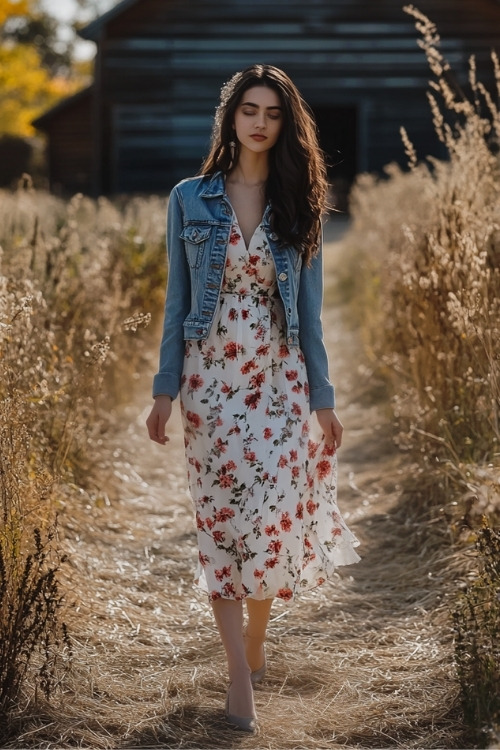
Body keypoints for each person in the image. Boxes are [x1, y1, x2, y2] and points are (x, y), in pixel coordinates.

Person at [146, 64, 360, 734]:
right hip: (210, 385)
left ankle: (256, 639)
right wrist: (164, 390)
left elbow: (311, 314)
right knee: (221, 527)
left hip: (279, 380)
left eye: (272, 113)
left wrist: (323, 398)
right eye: (249, 110)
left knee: (269, 522)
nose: (260, 122)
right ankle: (240, 674)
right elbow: (178, 301)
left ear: (284, 124)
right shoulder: (190, 198)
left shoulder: (299, 205)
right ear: (231, 118)